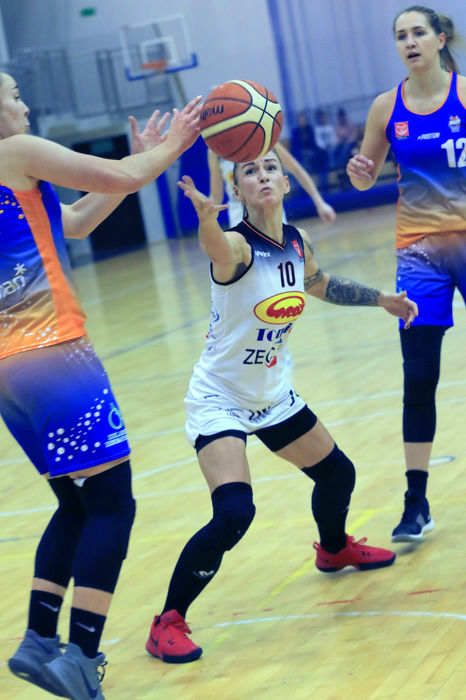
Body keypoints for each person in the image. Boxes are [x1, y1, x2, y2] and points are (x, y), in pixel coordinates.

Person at [144, 148, 418, 664]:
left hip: (270, 395)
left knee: (338, 475)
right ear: (238, 190)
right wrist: (206, 221)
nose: (263, 175)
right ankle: (167, 621)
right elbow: (215, 249)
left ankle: (333, 550)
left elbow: (320, 284)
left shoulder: (297, 241)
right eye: (250, 171)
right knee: (234, 513)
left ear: (286, 182)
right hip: (220, 399)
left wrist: (380, 298)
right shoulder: (236, 247)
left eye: (271, 168)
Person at [1, 70, 201, 699]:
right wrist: (171, 146)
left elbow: (78, 219)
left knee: (76, 504)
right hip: (54, 354)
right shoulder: (14, 152)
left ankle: (39, 641)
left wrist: (138, 162)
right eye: (13, 95)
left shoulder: (16, 177)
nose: (24, 106)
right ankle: (82, 657)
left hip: (10, 372)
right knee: (114, 503)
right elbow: (121, 176)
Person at [346, 5, 466, 544]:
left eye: (418, 32)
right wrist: (359, 173)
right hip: (419, 254)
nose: (410, 41)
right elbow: (365, 178)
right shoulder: (384, 108)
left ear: (440, 39)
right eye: (401, 35)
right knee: (418, 378)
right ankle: (416, 501)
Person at [208, 141, 336, 228]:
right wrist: (207, 225)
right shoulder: (214, 150)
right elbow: (216, 196)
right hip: (239, 216)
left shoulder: (265, 136)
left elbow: (297, 170)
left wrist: (320, 203)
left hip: (271, 211)